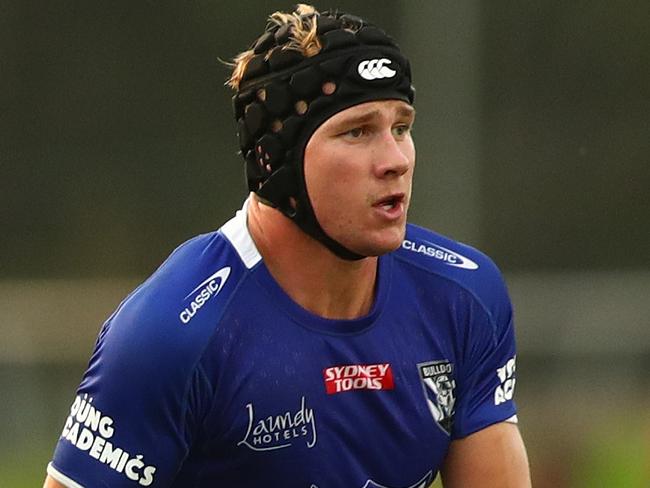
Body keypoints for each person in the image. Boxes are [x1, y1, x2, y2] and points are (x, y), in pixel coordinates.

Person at [44, 4, 531, 487]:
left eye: (401, 127)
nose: (395, 160)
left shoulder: (463, 295)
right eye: (357, 131)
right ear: (273, 158)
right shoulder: (171, 334)